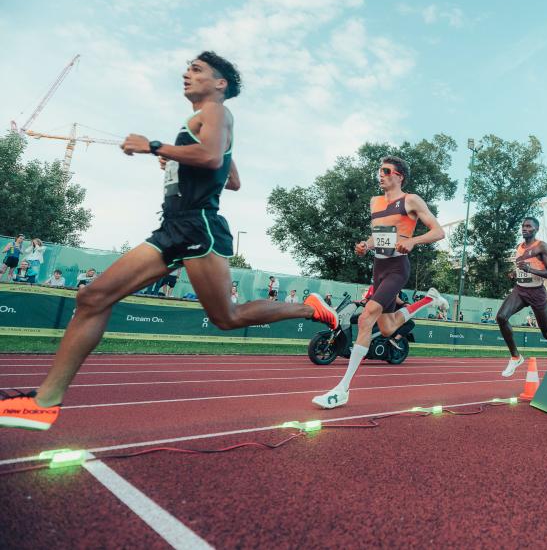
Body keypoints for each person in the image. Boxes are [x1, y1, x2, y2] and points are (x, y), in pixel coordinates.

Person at [1, 51, 339, 431]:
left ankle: (310, 310)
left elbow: (212, 158)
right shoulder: (202, 121)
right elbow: (232, 177)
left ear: (219, 83)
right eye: (187, 69)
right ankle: (44, 402)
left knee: (227, 318)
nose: (186, 75)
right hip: (173, 227)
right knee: (93, 297)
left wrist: (157, 147)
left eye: (196, 70)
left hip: (198, 227)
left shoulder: (216, 112)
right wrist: (180, 159)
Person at [312, 155, 447, 409]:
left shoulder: (411, 200)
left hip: (397, 267)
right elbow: (377, 236)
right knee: (386, 328)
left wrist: (412, 241)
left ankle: (342, 389)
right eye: (379, 171)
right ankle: (430, 299)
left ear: (399, 176)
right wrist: (366, 245)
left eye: (386, 171)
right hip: (379, 267)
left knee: (366, 317)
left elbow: (438, 232)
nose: (381, 175)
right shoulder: (374, 202)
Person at [496, 217, 547, 376]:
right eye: (523, 226)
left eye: (528, 226)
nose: (524, 229)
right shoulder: (519, 247)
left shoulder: (541, 246)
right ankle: (515, 357)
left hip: (537, 293)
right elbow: (522, 267)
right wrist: (515, 273)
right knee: (501, 317)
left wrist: (529, 270)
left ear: (536, 229)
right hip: (520, 290)